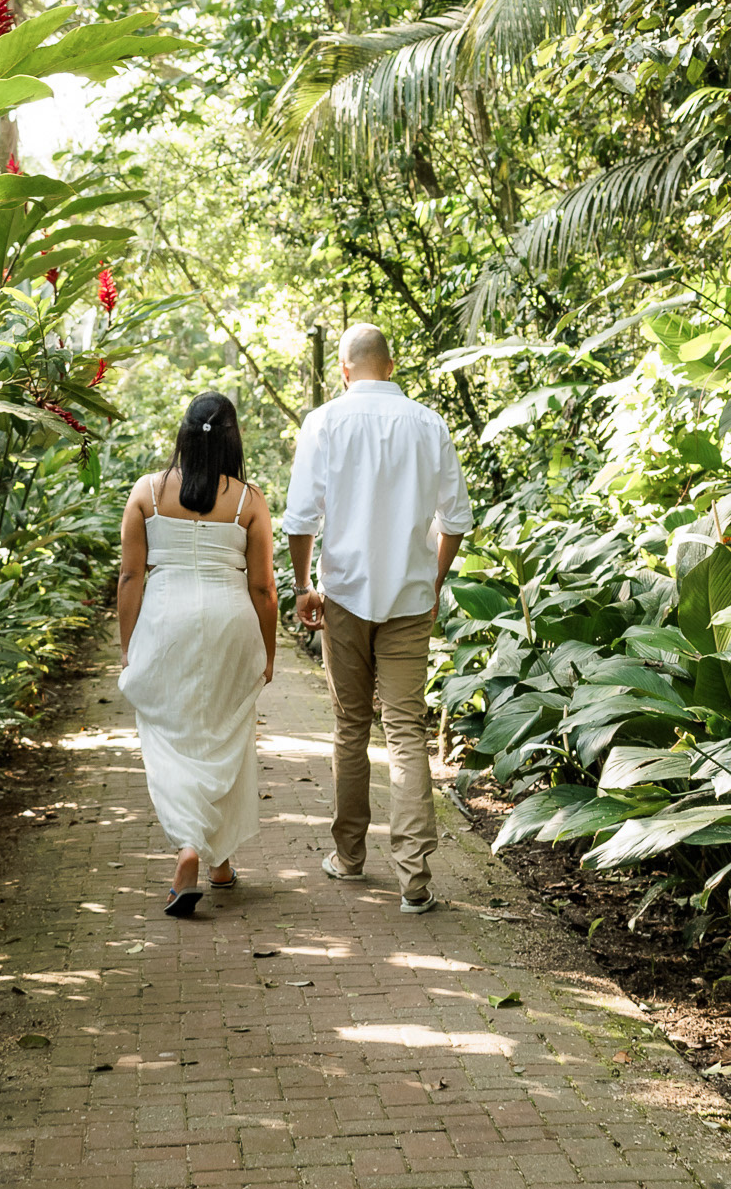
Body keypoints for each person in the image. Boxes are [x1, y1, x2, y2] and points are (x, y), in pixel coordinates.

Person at [284, 324, 472, 914]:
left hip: (344, 595)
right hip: (409, 601)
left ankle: (349, 857)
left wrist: (303, 586)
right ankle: (414, 879)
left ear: (343, 370)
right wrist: (433, 580)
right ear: (391, 366)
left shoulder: (323, 422)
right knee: (407, 730)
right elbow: (456, 519)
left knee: (350, 726)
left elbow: (300, 519)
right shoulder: (429, 424)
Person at [117, 392, 277, 917]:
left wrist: (128, 646)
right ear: (233, 440)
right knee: (225, 737)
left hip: (165, 622)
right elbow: (263, 589)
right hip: (231, 623)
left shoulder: (147, 492)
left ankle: (191, 848)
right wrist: (269, 652)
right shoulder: (249, 500)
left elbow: (130, 577)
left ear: (183, 434)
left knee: (170, 739)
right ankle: (218, 862)